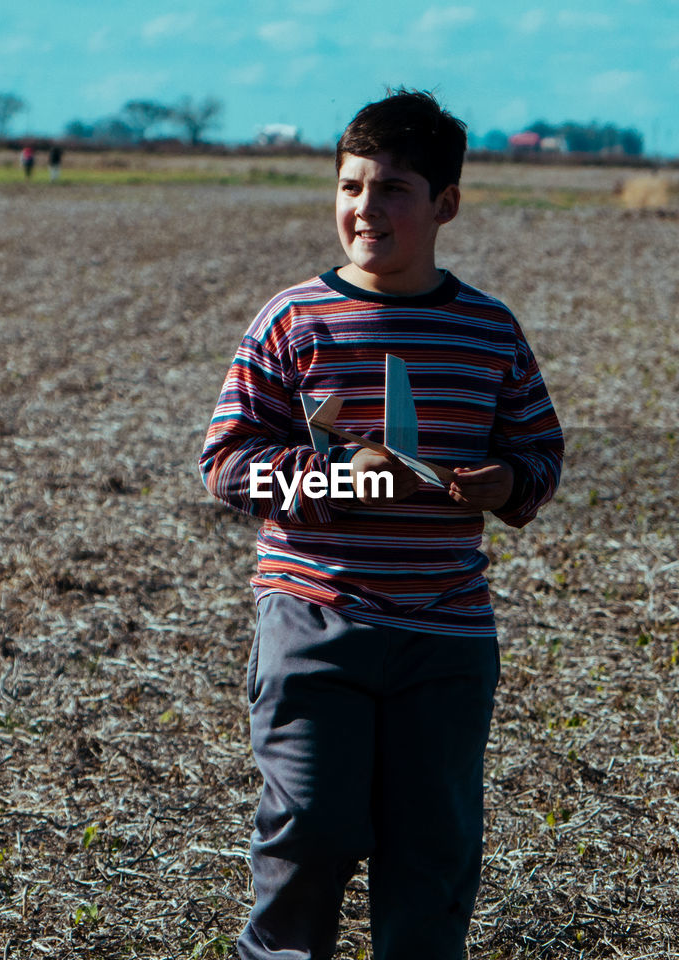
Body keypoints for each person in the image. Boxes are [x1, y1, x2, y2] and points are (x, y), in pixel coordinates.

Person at [199, 89, 563, 960]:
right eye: (351, 185)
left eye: (393, 188)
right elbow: (225, 461)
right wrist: (329, 477)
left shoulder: (487, 331)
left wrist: (505, 480)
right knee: (309, 833)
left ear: (445, 205)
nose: (365, 208)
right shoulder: (295, 321)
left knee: (434, 853)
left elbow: (540, 449)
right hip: (314, 617)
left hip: (446, 632)